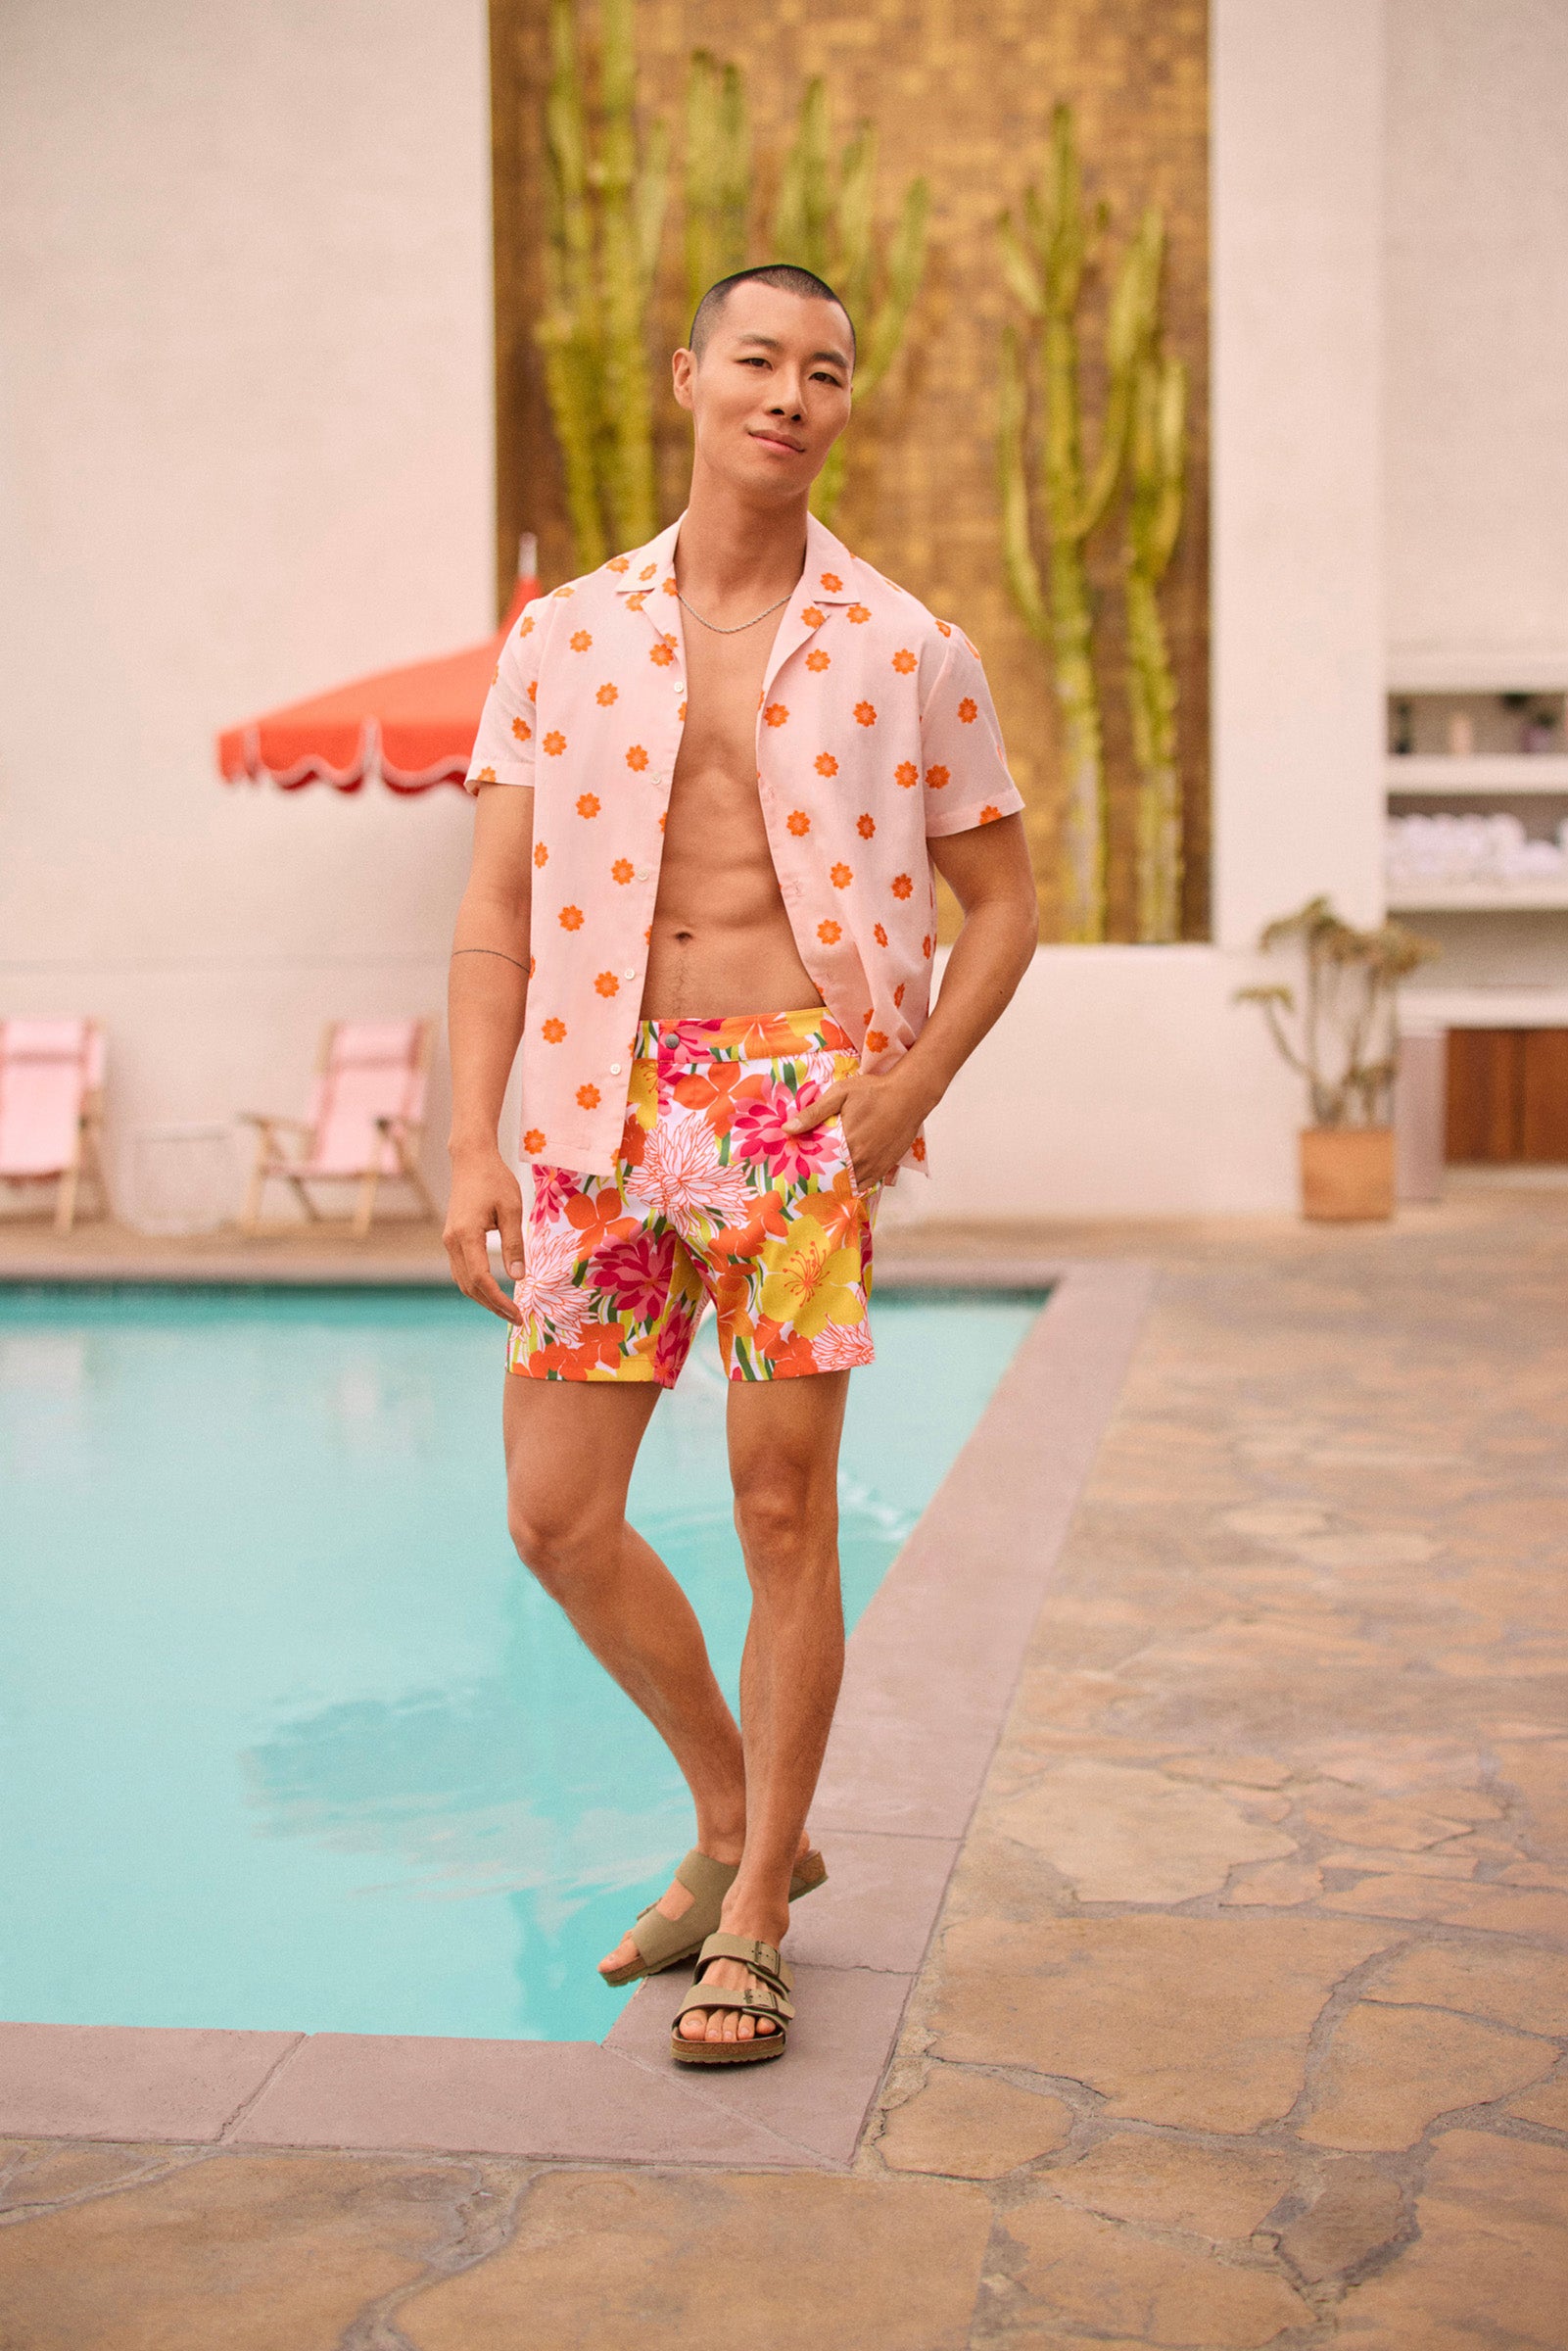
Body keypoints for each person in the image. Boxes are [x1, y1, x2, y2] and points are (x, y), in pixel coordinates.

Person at [445, 264, 1036, 2067]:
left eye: (828, 371)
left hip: (791, 1097)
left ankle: (761, 1907)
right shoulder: (563, 634)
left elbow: (1004, 905)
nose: (790, 391)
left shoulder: (904, 643)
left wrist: (901, 1083)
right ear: (692, 377)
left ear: (846, 407)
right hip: (596, 1101)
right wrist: (465, 1134)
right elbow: (491, 907)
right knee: (554, 1514)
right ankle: (728, 1813)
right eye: (761, 359)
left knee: (783, 1512)